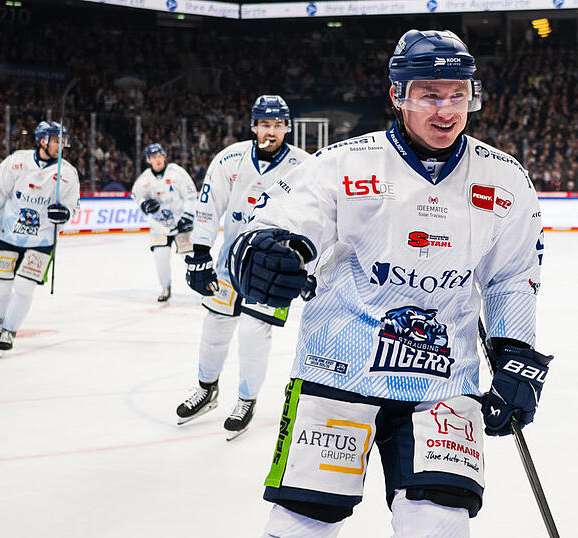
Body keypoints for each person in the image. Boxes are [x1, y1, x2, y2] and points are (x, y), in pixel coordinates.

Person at [227, 30, 553, 536]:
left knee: (439, 525)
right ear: (398, 95)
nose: (446, 110)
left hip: (443, 380)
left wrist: (517, 355)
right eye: (429, 94)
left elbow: (511, 277)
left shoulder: (506, 179)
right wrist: (267, 252)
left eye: (457, 95)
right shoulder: (343, 163)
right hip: (337, 371)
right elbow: (288, 225)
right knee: (301, 525)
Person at [178, 95, 310, 440]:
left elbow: (317, 217)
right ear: (253, 126)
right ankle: (207, 388)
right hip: (229, 265)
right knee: (215, 328)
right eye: (265, 124)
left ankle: (246, 400)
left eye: (278, 125)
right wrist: (200, 253)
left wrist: (311, 266)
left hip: (273, 269)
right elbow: (208, 207)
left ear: (287, 127)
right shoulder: (230, 158)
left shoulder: (304, 165)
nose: (271, 131)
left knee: (254, 333)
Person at [0, 121, 80, 352]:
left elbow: (74, 205)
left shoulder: (68, 173)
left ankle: (9, 330)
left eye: (63, 140)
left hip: (42, 240)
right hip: (8, 234)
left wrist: (66, 213)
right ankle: (1, 320)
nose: (61, 145)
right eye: (56, 140)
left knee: (24, 286)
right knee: (0, 286)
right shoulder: (17, 161)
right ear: (42, 141)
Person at [130, 143, 196, 302]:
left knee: (190, 256)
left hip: (181, 222)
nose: (158, 160)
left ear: (164, 156)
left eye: (160, 156)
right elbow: (136, 195)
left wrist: (188, 215)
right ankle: (165, 288)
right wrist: (143, 205)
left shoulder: (177, 172)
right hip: (159, 225)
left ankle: (202, 286)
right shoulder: (145, 178)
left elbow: (191, 194)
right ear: (148, 160)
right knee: (161, 256)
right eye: (154, 157)